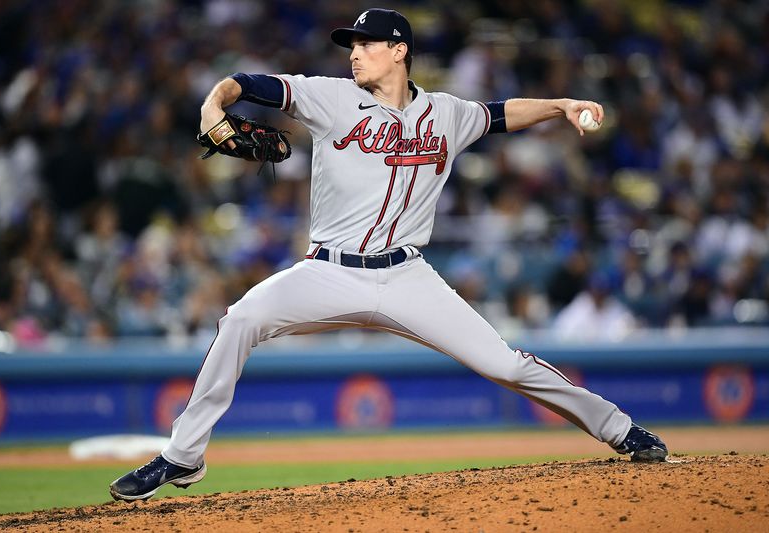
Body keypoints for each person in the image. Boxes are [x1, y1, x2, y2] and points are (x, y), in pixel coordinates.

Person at [110, 8, 668, 502]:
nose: (354, 53)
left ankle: (619, 429)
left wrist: (561, 105)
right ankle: (183, 456)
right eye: (351, 45)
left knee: (505, 364)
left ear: (398, 50)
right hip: (328, 271)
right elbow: (248, 84)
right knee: (241, 319)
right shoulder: (330, 97)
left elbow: (499, 114)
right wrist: (214, 102)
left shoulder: (446, 113)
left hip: (407, 277)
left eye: (365, 44)